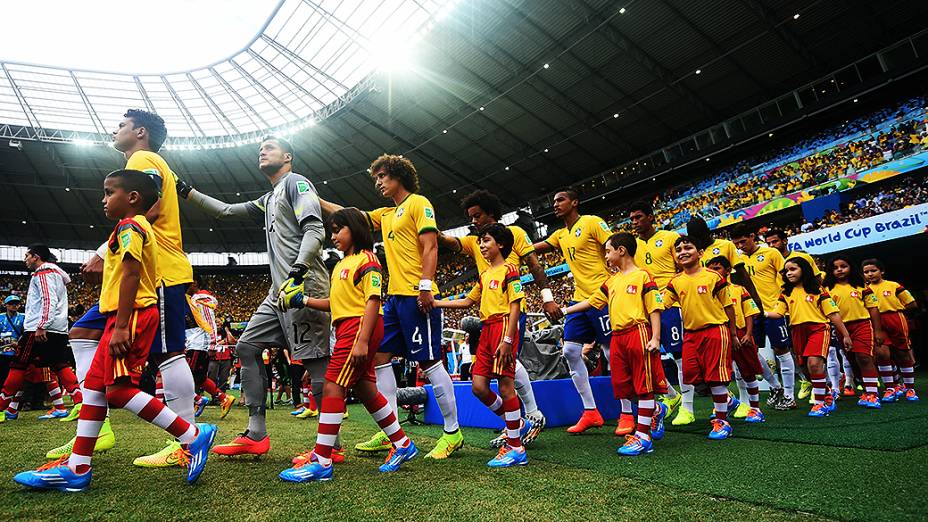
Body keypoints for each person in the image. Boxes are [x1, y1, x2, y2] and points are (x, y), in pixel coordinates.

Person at [13, 169, 216, 492]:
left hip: (131, 316)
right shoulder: (134, 226)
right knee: (94, 390)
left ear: (132, 197)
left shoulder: (130, 227)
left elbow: (132, 274)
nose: (103, 199)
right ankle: (78, 469)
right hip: (121, 316)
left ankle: (192, 435)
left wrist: (121, 325)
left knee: (119, 391)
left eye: (109, 193)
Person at [47, 109, 196, 462]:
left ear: (140, 132)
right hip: (139, 275)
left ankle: (186, 444)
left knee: (168, 352)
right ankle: (97, 428)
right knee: (82, 333)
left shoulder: (144, 158)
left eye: (121, 126)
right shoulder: (147, 161)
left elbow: (150, 207)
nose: (114, 131)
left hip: (156, 273)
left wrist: (103, 252)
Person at [178, 136, 331, 456]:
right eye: (260, 148)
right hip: (277, 292)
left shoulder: (296, 184)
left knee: (317, 366)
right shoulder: (270, 196)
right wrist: (186, 191)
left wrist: (299, 272)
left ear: (288, 156)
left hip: (304, 286)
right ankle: (256, 434)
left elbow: (315, 230)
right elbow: (226, 211)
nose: (262, 151)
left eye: (270, 147)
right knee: (246, 347)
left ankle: (331, 446)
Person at [319, 155, 464, 459]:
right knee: (380, 358)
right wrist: (314, 198)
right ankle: (391, 432)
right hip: (395, 299)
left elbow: (431, 245)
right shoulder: (386, 213)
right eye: (376, 178)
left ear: (399, 176)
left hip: (416, 294)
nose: (378, 182)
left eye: (383, 176)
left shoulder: (418, 203)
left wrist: (425, 285)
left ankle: (453, 433)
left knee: (429, 362)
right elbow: (350, 215)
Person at [278, 207, 416, 481]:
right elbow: (336, 304)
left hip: (359, 327)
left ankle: (321, 460)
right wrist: (301, 300)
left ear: (355, 228)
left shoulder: (368, 260)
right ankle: (402, 444)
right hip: (348, 326)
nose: (333, 236)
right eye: (331, 231)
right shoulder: (341, 265)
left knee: (332, 386)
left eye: (338, 229)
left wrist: (363, 340)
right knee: (365, 390)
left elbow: (373, 300)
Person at [438, 189, 551, 446]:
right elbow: (448, 241)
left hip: (509, 310)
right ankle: (519, 421)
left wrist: (546, 296)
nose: (474, 221)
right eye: (471, 217)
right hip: (486, 315)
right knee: (497, 372)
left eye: (477, 216)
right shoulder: (475, 242)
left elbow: (534, 264)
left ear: (491, 213)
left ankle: (530, 416)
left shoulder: (516, 235)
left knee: (508, 365)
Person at [563, 232, 669, 456]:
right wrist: (565, 311)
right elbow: (592, 302)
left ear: (621, 251)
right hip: (617, 336)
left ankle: (642, 437)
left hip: (638, 332)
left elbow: (654, 308)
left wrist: (655, 337)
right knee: (624, 387)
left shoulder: (642, 275)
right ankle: (657, 410)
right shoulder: (611, 281)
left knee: (643, 386)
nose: (606, 257)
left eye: (608, 251)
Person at [435, 224, 530, 467]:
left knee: (506, 386)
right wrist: (436, 303)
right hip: (486, 329)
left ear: (500, 244)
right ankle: (515, 423)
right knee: (478, 386)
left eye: (486, 240)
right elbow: (468, 300)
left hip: (503, 326)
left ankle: (516, 447)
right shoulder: (485, 274)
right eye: (480, 241)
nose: (482, 245)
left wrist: (508, 339)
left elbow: (515, 305)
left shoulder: (510, 269)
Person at [532, 189, 612, 434]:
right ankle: (591, 411)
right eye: (553, 201)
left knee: (612, 352)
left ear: (574, 202)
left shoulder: (592, 222)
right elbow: (532, 248)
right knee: (569, 350)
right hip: (579, 299)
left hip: (602, 296)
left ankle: (632, 410)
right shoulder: (560, 235)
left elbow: (614, 245)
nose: (555, 204)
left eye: (560, 200)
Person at [661, 236, 739, 440]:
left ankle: (722, 422)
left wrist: (732, 332)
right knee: (693, 377)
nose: (683, 251)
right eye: (678, 249)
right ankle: (728, 401)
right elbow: (662, 305)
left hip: (715, 330)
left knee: (715, 378)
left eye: (688, 247)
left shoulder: (713, 276)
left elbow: (728, 306)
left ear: (700, 253)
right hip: (691, 334)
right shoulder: (675, 282)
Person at [0, 245, 82, 424]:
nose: (25, 259)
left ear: (36, 257)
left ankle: (2, 407)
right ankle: (80, 403)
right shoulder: (56, 274)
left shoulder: (43, 273)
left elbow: (48, 298)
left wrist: (41, 325)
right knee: (60, 365)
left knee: (18, 366)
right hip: (58, 329)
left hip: (39, 328)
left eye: (27, 256)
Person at [765, 257, 853, 417]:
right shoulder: (785, 292)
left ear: (804, 270)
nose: (789, 273)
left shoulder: (818, 290)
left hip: (818, 329)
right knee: (805, 369)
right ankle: (826, 394)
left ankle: (819, 404)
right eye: (786, 270)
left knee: (814, 364)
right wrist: (761, 313)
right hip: (797, 331)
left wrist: (845, 335)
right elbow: (778, 313)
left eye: (793, 269)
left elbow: (833, 313)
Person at [628, 201, 690, 425]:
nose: (635, 222)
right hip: (645, 307)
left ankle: (688, 408)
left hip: (670, 303)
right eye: (632, 219)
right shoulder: (632, 246)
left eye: (638, 217)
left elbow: (683, 266)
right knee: (649, 354)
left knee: (680, 354)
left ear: (651, 217)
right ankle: (672, 396)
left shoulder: (670, 238)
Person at [730, 225, 791, 410]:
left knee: (782, 349)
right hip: (752, 313)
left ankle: (789, 394)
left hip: (773, 309)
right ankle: (776, 386)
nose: (740, 246)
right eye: (736, 243)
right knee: (752, 351)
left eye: (743, 241)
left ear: (752, 236)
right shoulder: (737, 260)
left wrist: (781, 305)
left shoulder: (771, 253)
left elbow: (785, 279)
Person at [705, 256, 766, 423]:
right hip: (719, 334)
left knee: (748, 372)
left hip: (740, 334)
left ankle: (755, 409)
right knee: (716, 375)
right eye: (709, 268)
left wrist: (747, 334)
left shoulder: (739, 289)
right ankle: (725, 403)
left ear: (728, 270)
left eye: (717, 268)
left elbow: (749, 313)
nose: (713, 272)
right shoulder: (707, 291)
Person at [823, 256, 884, 408]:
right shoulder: (827, 289)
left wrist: (878, 331)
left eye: (843, 266)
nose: (839, 270)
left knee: (864, 358)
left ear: (850, 267)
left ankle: (873, 394)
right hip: (841, 328)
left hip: (862, 324)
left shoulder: (861, 286)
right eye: (835, 267)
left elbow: (873, 308)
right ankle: (865, 389)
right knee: (852, 360)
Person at [862, 258, 918, 402]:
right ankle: (890, 388)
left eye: (873, 270)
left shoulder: (893, 285)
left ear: (882, 271)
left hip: (896, 319)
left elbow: (912, 304)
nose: (870, 274)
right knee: (882, 354)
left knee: (903, 353)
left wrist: (898, 312)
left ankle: (909, 388)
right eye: (866, 272)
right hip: (876, 321)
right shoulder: (863, 289)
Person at [183, 275, 235, 420]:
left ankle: (196, 400)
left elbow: (209, 322)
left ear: (195, 283)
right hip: (196, 342)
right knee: (199, 378)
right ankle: (224, 398)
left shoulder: (199, 299)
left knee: (184, 375)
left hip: (197, 343)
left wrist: (212, 343)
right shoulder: (195, 299)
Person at [0, 295, 25, 386]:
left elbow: (26, 334)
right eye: (11, 303)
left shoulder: (24, 318)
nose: (14, 305)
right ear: (6, 305)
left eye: (16, 303)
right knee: (2, 377)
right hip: (2, 353)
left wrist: (19, 343)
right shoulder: (0, 317)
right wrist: (8, 342)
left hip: (17, 353)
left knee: (16, 379)